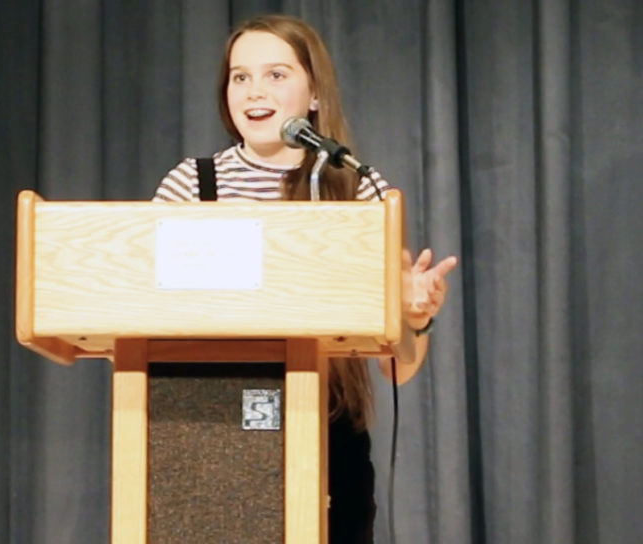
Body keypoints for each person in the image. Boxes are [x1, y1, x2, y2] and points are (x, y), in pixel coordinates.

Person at [153, 13, 457, 543]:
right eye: (239, 76)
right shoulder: (190, 184)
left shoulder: (357, 189)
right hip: (206, 428)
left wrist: (414, 318)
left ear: (314, 94)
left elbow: (399, 371)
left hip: (328, 429)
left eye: (276, 74)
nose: (254, 91)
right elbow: (142, 304)